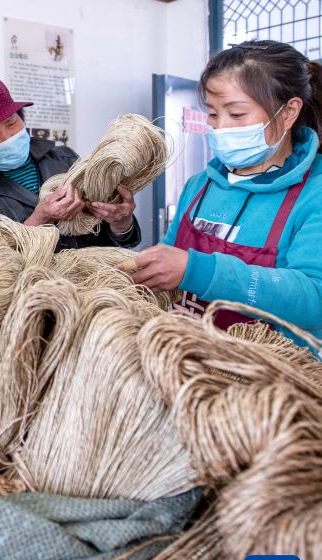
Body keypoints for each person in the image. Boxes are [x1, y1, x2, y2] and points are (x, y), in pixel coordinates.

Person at [133, 40, 322, 342]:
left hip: (268, 367)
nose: (220, 127)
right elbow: (169, 256)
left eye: (236, 115)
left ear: (288, 112)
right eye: (212, 114)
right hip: (187, 357)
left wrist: (200, 271)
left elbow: (314, 298)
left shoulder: (314, 192)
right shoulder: (200, 185)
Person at [0, 74, 141, 251]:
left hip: (91, 277)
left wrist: (121, 223)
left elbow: (114, 240)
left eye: (11, 123)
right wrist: (38, 219)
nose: (7, 136)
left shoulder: (65, 159)